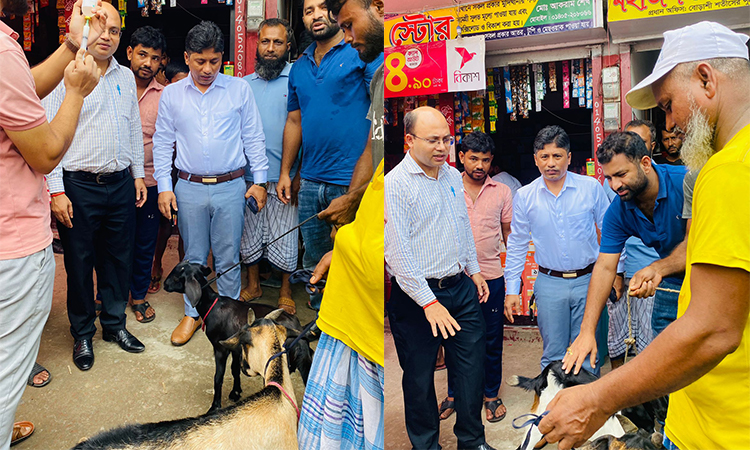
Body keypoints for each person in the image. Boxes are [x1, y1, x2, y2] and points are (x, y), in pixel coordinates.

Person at [539, 21, 750, 450]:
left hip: (722, 430)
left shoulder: (723, 172)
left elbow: (711, 330)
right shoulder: (625, 207)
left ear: (707, 80)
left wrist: (597, 399)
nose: (669, 122)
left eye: (669, 104)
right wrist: (587, 330)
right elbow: (606, 263)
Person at [0, 0, 103, 443]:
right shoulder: (2, 53)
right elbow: (44, 153)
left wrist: (68, 45)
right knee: (7, 371)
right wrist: (76, 93)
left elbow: (18, 94)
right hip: (12, 245)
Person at [296, 0, 384, 446]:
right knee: (322, 262)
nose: (347, 34)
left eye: (348, 23)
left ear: (380, 8)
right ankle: (323, 323)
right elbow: (377, 139)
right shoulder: (302, 66)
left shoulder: (383, 65)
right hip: (330, 186)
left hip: (370, 204)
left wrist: (352, 198)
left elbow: (374, 141)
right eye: (343, 26)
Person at [44, 1, 147, 371]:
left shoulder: (122, 76)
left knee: (118, 260)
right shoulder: (67, 73)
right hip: (78, 187)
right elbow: (49, 133)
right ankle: (83, 332)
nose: (107, 36)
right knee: (79, 262)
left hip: (119, 184)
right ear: (83, 28)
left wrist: (137, 174)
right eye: (99, 27)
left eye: (115, 30)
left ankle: (114, 325)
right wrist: (56, 190)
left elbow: (133, 126)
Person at [153, 21, 268, 346]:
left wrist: (259, 181)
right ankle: (192, 313)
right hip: (187, 187)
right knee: (193, 257)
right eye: (199, 61)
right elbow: (162, 142)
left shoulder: (238, 90)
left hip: (230, 186)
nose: (207, 69)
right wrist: (164, 186)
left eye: (214, 61)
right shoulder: (172, 95)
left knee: (229, 254)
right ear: (186, 57)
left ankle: (228, 314)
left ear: (222, 58)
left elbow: (253, 137)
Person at [385, 107, 493, 450]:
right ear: (409, 140)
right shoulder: (395, 185)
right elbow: (397, 254)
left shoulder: (449, 175)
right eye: (433, 140)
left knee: (470, 369)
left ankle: (472, 441)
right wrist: (428, 303)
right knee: (418, 378)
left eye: (447, 139)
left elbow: (461, 226)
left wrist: (473, 270)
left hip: (458, 288)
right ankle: (427, 445)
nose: (443, 147)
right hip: (416, 296)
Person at [275, 0, 382, 311]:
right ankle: (320, 327)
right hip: (309, 182)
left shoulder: (362, 52)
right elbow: (294, 121)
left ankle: (346, 334)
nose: (316, 15)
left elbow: (376, 119)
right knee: (314, 263)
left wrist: (357, 190)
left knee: (351, 262)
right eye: (308, 11)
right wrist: (286, 172)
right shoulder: (299, 67)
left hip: (351, 182)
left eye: (323, 7)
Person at [563, 131, 688, 375]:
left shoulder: (684, 182)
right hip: (672, 282)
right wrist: (587, 331)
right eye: (609, 177)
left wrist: (657, 268)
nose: (615, 185)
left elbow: (698, 243)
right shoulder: (618, 211)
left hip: (708, 275)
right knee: (666, 363)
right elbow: (605, 267)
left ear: (645, 163)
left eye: (621, 175)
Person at [504, 125, 609, 374]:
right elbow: (517, 243)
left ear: (569, 157)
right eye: (545, 156)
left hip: (588, 281)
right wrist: (512, 290)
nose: (551, 163)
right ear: (536, 160)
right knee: (553, 353)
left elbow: (609, 232)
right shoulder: (525, 196)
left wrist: (617, 272)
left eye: (557, 156)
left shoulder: (590, 188)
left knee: (586, 352)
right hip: (549, 284)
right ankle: (552, 409)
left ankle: (585, 409)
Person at [438, 131, 512, 423]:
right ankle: (455, 394)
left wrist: (512, 280)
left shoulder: (502, 192)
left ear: (491, 161)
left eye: (485, 159)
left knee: (491, 339)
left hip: (492, 277)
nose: (479, 165)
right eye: (473, 159)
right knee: (453, 339)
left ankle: (490, 394)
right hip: (455, 279)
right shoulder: (446, 186)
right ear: (461, 158)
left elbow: (509, 236)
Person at [238, 19, 299, 313]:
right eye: (265, 42)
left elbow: (305, 129)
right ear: (257, 44)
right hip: (249, 176)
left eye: (277, 42)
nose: (271, 48)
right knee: (250, 232)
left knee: (285, 234)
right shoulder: (243, 85)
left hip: (285, 176)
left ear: (288, 46)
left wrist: (297, 173)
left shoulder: (298, 78)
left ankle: (286, 289)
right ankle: (253, 285)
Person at [602, 119, 660, 370]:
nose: (616, 184)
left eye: (641, 142)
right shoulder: (614, 187)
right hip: (622, 269)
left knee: (650, 334)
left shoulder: (667, 181)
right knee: (618, 333)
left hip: (654, 270)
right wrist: (617, 271)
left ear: (650, 149)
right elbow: (611, 241)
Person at [126, 25, 167, 323]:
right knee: (112, 243)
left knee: (144, 241)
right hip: (115, 180)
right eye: (142, 55)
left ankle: (138, 296)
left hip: (151, 182)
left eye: (154, 58)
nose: (147, 63)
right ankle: (107, 295)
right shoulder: (112, 86)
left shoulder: (166, 96)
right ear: (129, 53)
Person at [148, 58, 188, 295]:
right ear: (166, 82)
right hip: (165, 169)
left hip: (186, 171)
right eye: (177, 84)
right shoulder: (164, 98)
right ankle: (156, 264)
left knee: (185, 227)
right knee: (164, 224)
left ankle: (184, 270)